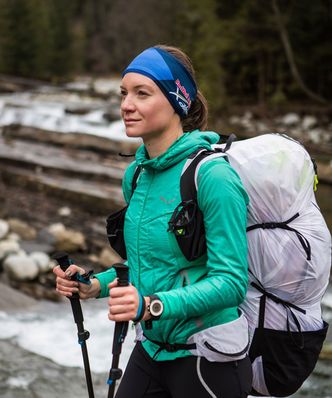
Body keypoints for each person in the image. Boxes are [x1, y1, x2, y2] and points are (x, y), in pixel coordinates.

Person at [53, 45, 252, 398]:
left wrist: (151, 306)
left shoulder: (214, 177)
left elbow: (231, 282)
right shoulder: (137, 175)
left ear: (178, 100)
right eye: (124, 93)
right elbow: (147, 263)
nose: (126, 105)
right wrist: (94, 285)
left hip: (209, 357)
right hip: (151, 348)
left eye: (142, 93)